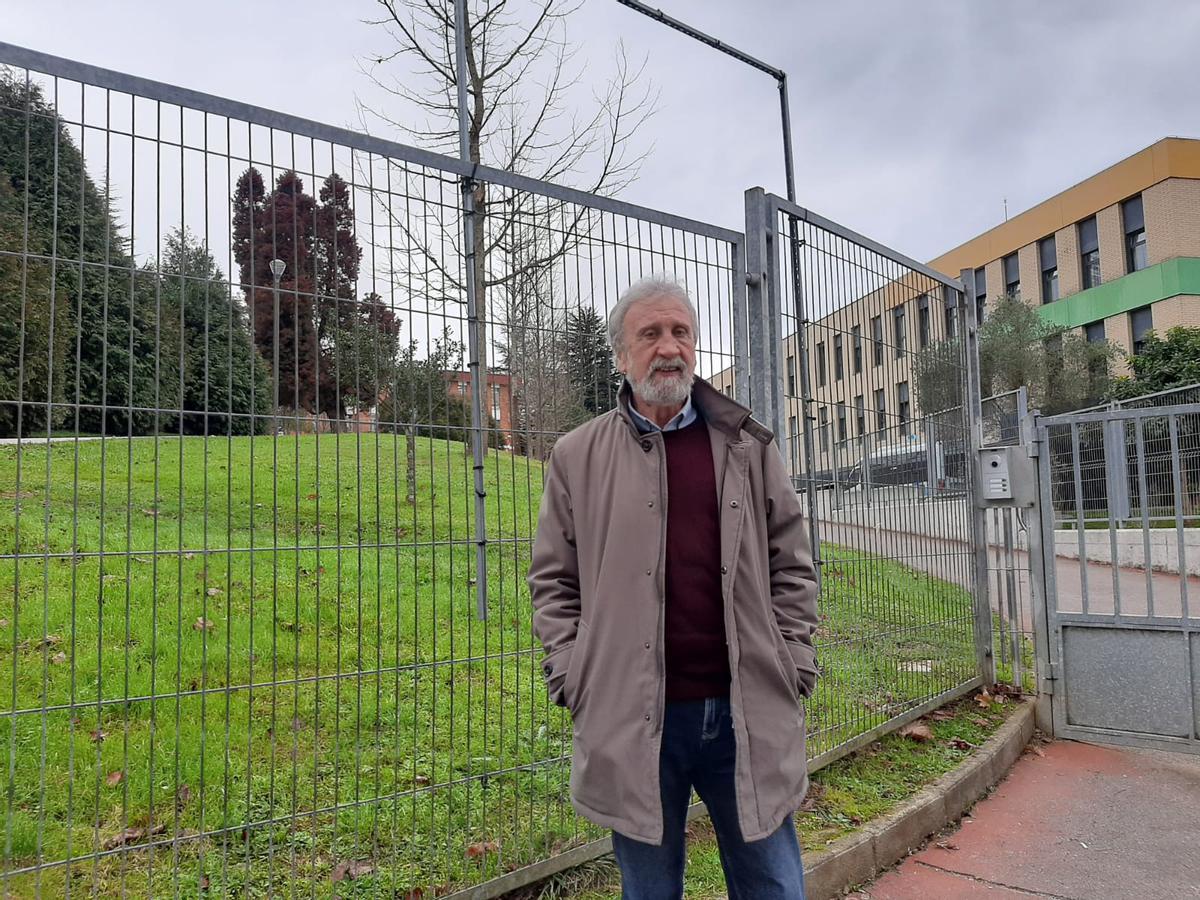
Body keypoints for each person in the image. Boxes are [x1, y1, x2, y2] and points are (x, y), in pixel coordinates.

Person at [527, 274, 819, 899]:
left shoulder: (746, 446)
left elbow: (792, 562)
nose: (669, 347)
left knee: (774, 886)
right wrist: (572, 674)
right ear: (622, 355)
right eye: (651, 333)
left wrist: (794, 659)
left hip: (746, 712)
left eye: (681, 332)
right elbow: (553, 579)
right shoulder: (577, 458)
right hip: (632, 721)